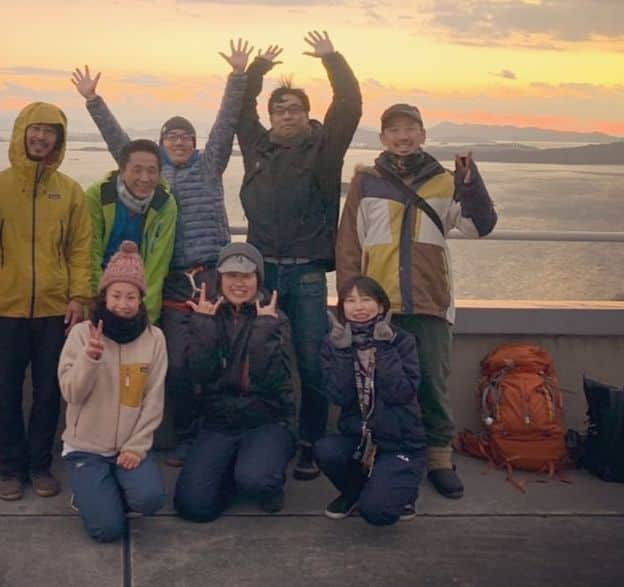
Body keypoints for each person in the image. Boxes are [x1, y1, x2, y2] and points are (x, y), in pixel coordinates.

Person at [72, 39, 252, 464]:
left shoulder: (210, 166)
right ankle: (185, 434)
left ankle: (214, 435)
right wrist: (94, 101)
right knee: (175, 364)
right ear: (161, 144)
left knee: (217, 359)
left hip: (214, 277)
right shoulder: (155, 180)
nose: (180, 141)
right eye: (172, 137)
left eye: (186, 136)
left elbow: (225, 124)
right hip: (172, 280)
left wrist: (238, 76)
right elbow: (121, 145)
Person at [336, 103, 497, 498]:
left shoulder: (445, 181)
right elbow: (349, 246)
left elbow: (480, 227)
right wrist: (349, 301)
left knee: (432, 382)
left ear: (423, 134)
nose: (402, 137)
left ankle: (439, 457)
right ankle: (375, 453)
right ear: (383, 138)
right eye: (394, 130)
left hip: (430, 300)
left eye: (410, 129)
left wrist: (472, 184)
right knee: (372, 384)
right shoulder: (366, 181)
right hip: (378, 303)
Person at [237, 30, 362, 480]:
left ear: (308, 115)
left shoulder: (324, 148)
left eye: (294, 108)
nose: (286, 115)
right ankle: (267, 435)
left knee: (311, 361)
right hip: (261, 273)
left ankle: (310, 441)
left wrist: (333, 59)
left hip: (307, 273)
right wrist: (254, 73)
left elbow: (349, 106)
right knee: (259, 356)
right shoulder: (257, 145)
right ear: (270, 116)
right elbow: (238, 110)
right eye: (279, 109)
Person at [0, 102, 94, 501]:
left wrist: (79, 296)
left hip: (56, 309)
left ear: (59, 139)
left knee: (49, 391)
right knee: (6, 390)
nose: (41, 137)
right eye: (35, 130)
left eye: (49, 132)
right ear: (22, 133)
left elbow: (80, 249)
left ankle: (40, 465)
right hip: (8, 306)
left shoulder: (69, 191)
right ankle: (11, 468)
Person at [173, 242, 296, 522]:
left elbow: (273, 382)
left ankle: (266, 481)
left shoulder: (275, 318)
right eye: (231, 276)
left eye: (246, 276)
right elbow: (198, 376)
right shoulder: (207, 314)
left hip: (266, 420)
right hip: (220, 420)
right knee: (193, 506)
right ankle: (229, 470)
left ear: (258, 280)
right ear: (220, 279)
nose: (238, 283)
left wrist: (264, 332)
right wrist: (202, 325)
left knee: (256, 480)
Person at [58, 241, 168, 542]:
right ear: (104, 296)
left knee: (150, 500)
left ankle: (113, 486)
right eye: (116, 295)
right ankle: (88, 493)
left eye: (131, 296)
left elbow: (153, 398)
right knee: (107, 530)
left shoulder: (154, 338)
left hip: (128, 447)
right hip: (87, 448)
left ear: (141, 299)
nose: (123, 303)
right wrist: (89, 359)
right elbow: (72, 393)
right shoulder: (83, 334)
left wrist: (137, 445)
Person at [316, 275, 426, 525]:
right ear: (342, 307)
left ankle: (403, 490)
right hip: (360, 436)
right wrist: (343, 353)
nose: (358, 307)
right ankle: (354, 492)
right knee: (325, 450)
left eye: (366, 299)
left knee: (377, 512)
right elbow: (339, 396)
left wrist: (384, 348)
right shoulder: (334, 342)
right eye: (350, 300)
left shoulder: (402, 340)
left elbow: (402, 393)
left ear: (381, 305)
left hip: (400, 440)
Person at [86, 138, 177, 323]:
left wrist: (145, 319)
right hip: (101, 292)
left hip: (137, 293)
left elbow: (157, 266)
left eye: (152, 171)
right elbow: (90, 253)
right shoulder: (99, 195)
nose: (144, 178)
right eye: (137, 170)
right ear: (122, 169)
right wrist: (99, 305)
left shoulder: (165, 204)